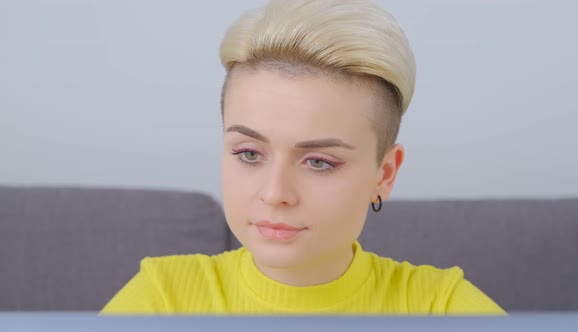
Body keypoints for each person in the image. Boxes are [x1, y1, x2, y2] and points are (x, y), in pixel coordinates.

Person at [101, 0, 504, 314]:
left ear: (384, 173)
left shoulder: (441, 308)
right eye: (249, 153)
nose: (275, 194)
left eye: (319, 162)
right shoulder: (163, 299)